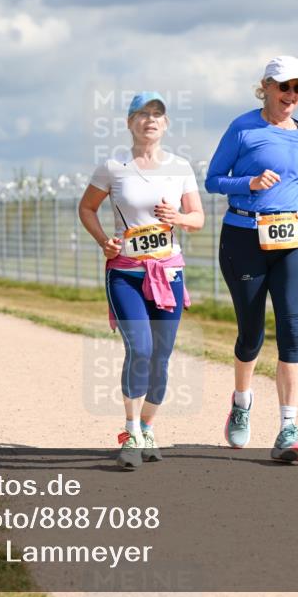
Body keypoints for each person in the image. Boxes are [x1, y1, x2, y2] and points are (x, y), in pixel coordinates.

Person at [205, 56, 298, 462]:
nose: (291, 96)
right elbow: (213, 179)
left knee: (293, 327)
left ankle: (288, 428)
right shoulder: (243, 128)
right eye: (284, 87)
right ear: (265, 86)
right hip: (244, 236)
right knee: (251, 334)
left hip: (292, 236)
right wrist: (247, 181)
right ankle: (242, 403)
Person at [78, 92, 204, 470]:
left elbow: (197, 218)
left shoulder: (180, 167)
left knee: (162, 358)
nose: (150, 120)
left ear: (166, 125)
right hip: (126, 273)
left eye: (158, 115)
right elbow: (86, 207)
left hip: (168, 273)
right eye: (143, 114)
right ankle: (130, 431)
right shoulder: (113, 167)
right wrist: (104, 241)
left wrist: (178, 217)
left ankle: (148, 427)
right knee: (141, 350)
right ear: (130, 122)